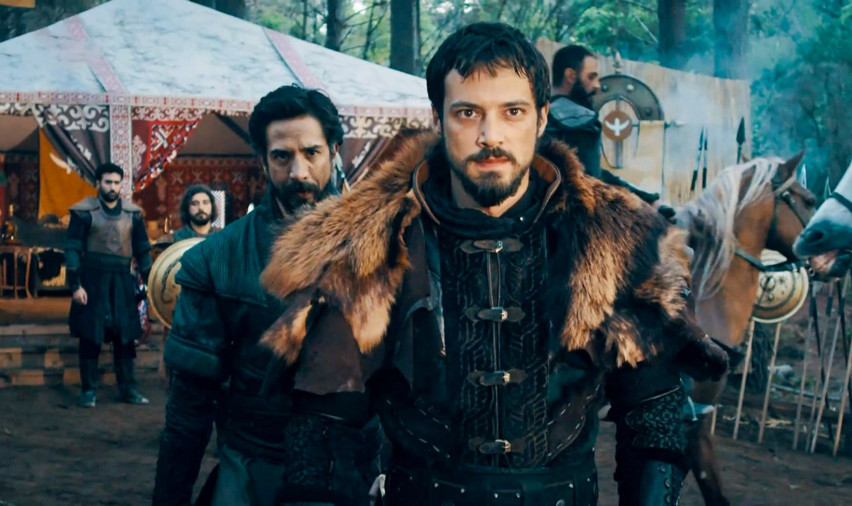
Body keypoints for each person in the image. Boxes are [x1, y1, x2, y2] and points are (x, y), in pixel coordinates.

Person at [259, 22, 726, 506]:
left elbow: (653, 418)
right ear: (438, 119)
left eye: (512, 112)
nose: (490, 136)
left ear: (541, 119)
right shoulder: (371, 245)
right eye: (467, 113)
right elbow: (322, 434)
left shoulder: (613, 238)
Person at [152, 85, 376, 506]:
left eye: (311, 153)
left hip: (354, 469)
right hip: (254, 467)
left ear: (334, 151)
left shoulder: (386, 247)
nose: (298, 172)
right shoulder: (217, 258)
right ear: (263, 161)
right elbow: (188, 408)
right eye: (282, 157)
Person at [65, 162, 152, 408]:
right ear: (98, 183)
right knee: (90, 335)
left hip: (122, 280)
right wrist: (76, 285)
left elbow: (142, 250)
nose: (113, 187)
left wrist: (150, 283)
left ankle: (128, 389)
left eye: (116, 183)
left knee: (124, 337)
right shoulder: (84, 212)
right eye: (108, 182)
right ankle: (88, 390)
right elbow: (72, 248)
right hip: (92, 280)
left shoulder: (132, 214)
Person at [546, 44, 662, 205]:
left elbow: (593, 172)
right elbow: (592, 181)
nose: (597, 85)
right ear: (571, 76)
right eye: (591, 77)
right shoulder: (580, 120)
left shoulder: (537, 113)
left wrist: (645, 197)